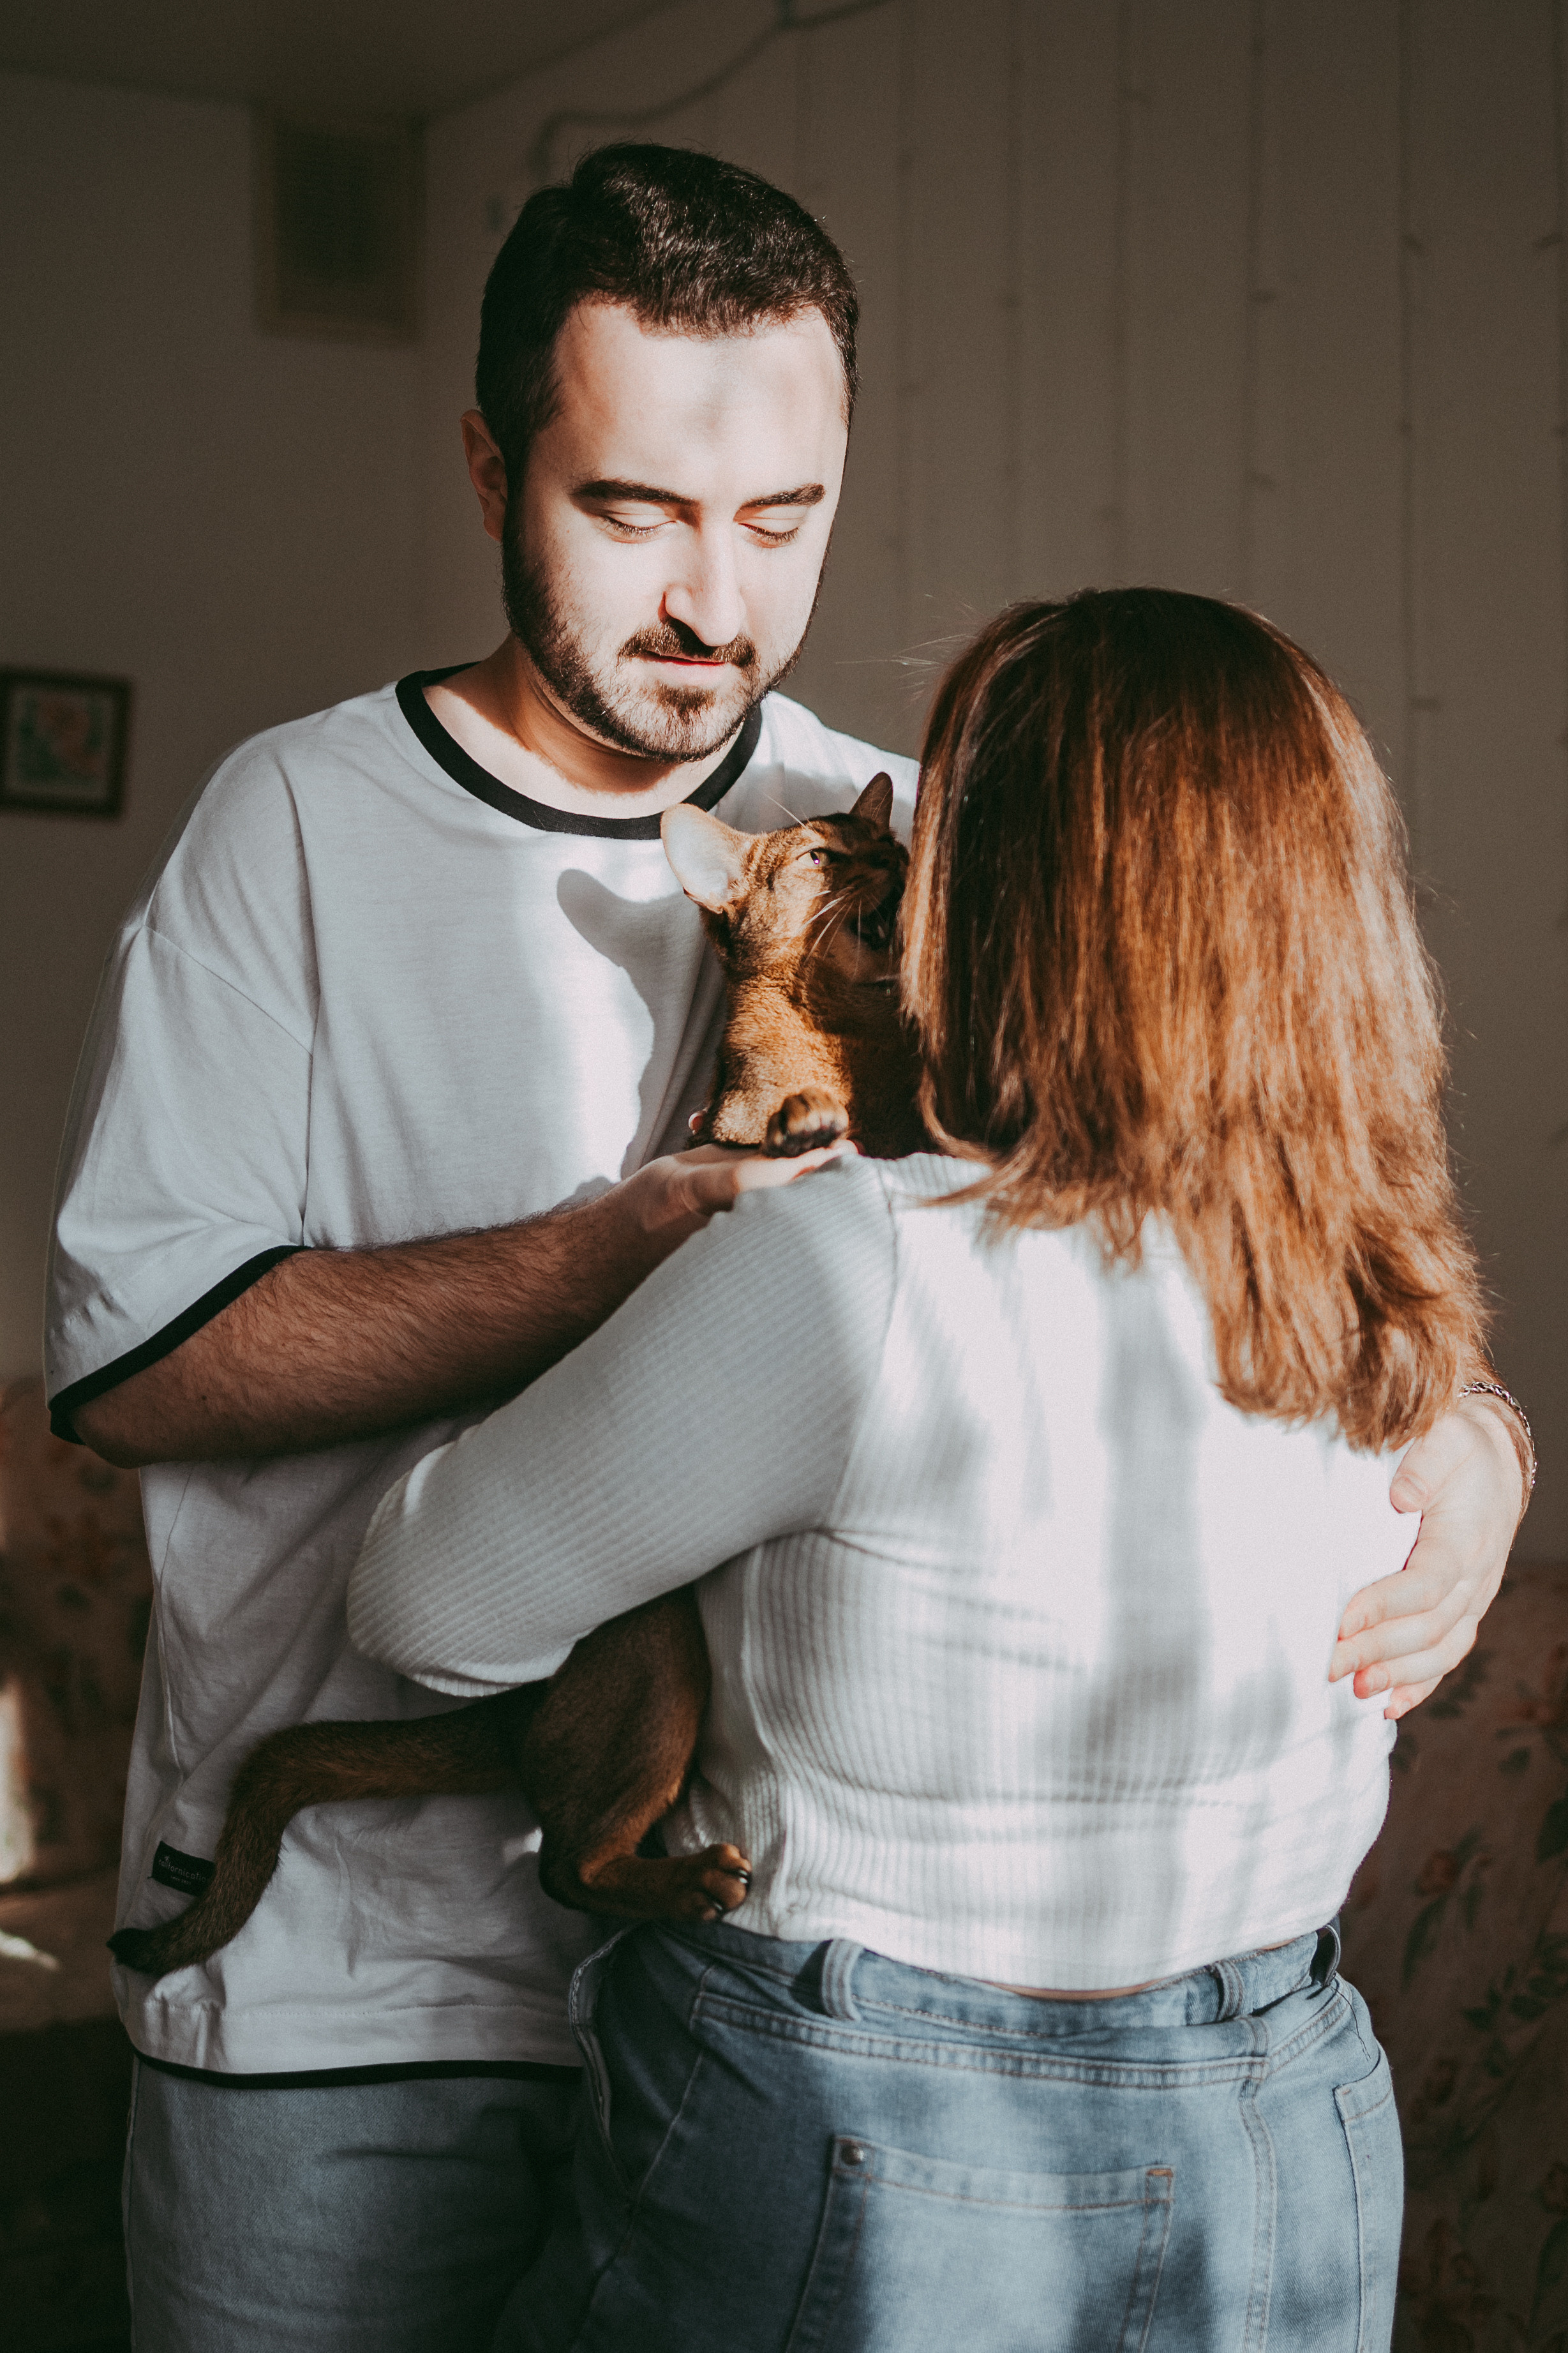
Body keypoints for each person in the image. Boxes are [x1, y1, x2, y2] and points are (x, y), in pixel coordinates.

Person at [45, 149, 1525, 2353]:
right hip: (356, 1996)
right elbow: (135, 1372)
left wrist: (1475, 1445)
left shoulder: (929, 828)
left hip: (778, 2012)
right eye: (637, 509)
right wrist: (638, 1252)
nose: (711, 603)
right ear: (487, 467)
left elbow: (1222, 1219)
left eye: (781, 518)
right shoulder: (294, 833)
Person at [350, 588, 1516, 2352]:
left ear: (998, 905)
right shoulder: (1365, 1290)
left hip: (874, 2133)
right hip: (1287, 2123)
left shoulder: (859, 1271)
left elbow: (422, 1608)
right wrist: (1496, 1451)